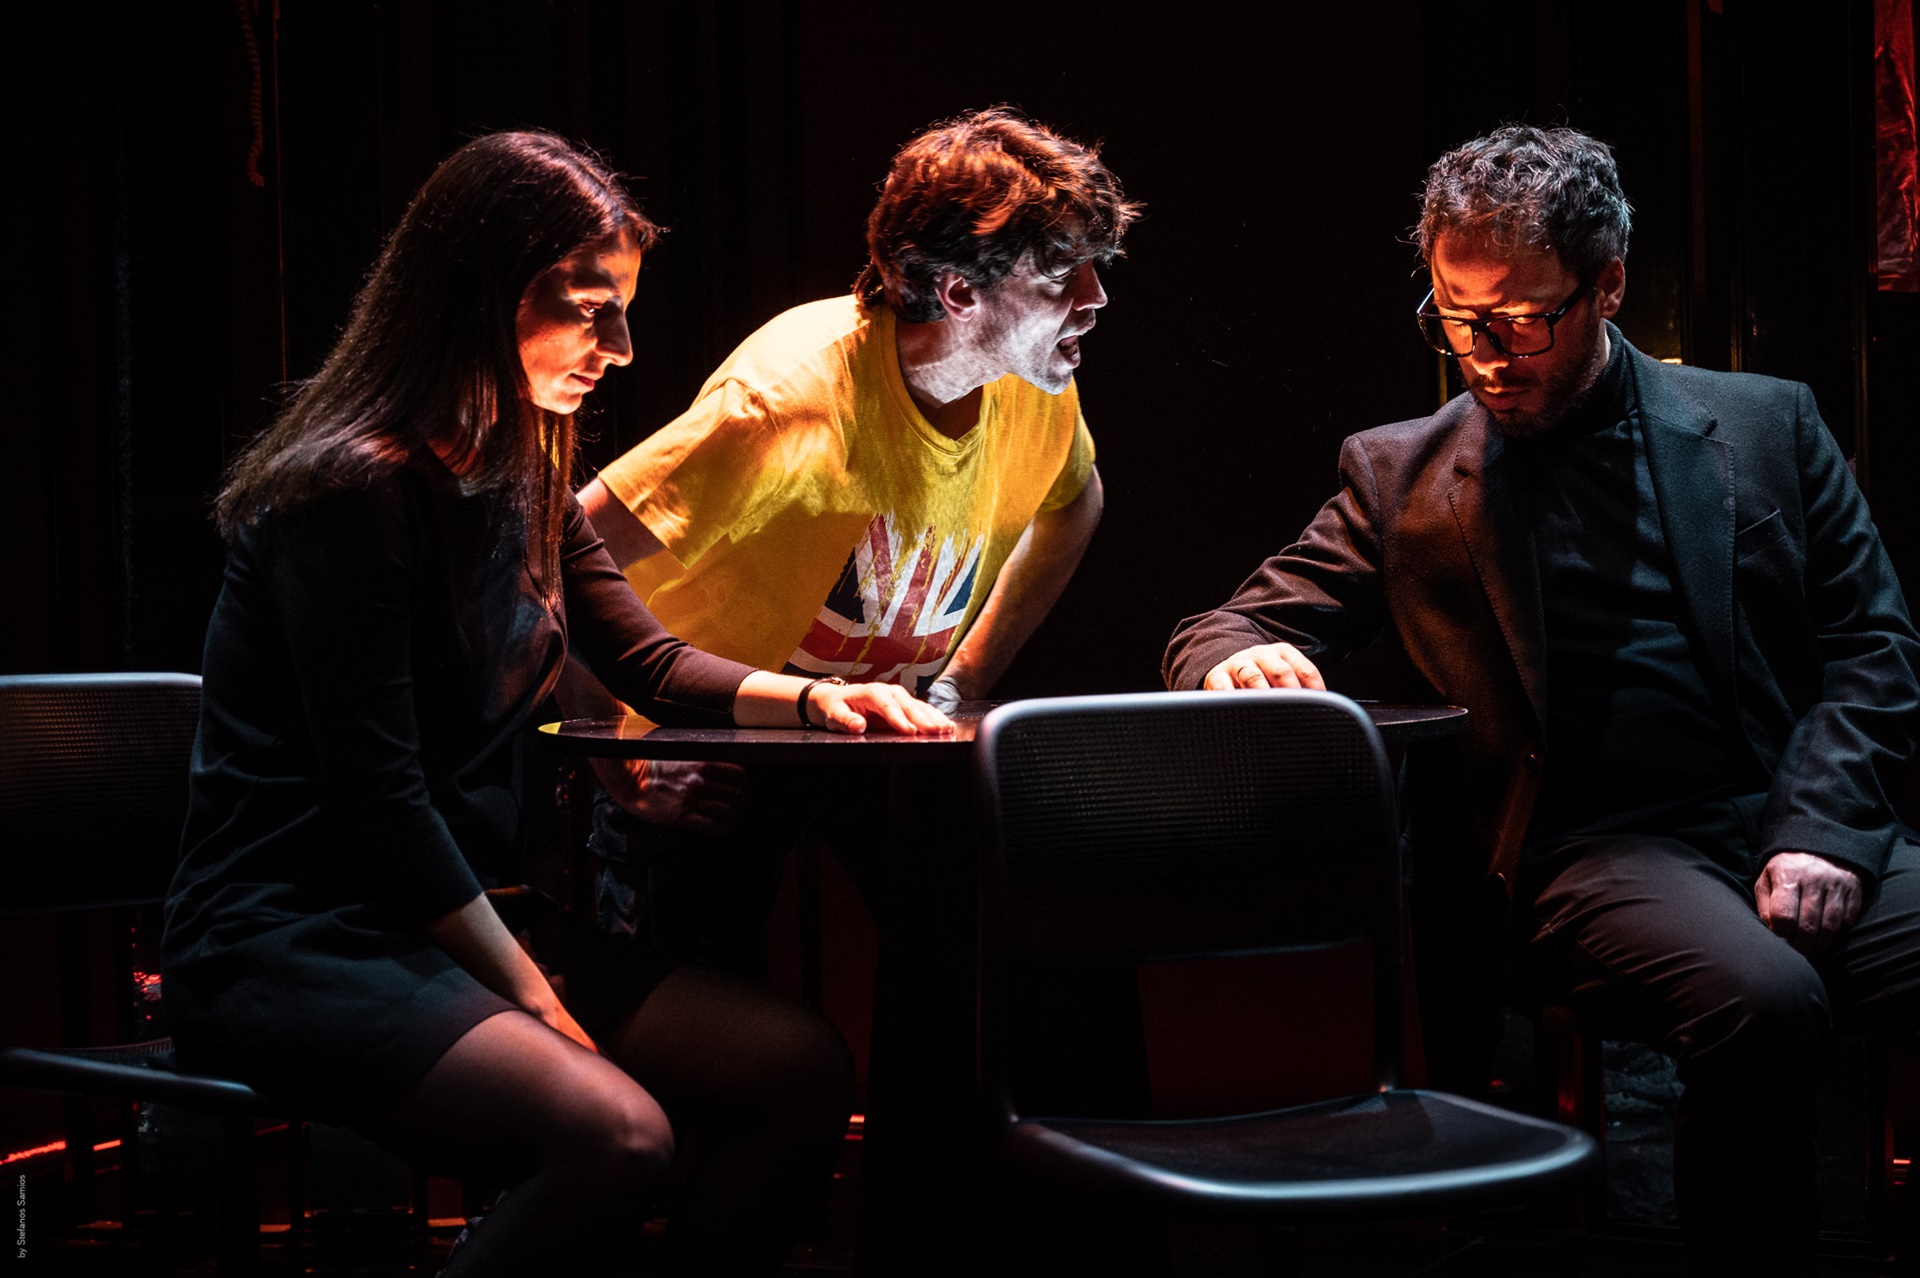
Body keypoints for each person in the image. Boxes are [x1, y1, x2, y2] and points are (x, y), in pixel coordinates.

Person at [161, 131, 950, 1277]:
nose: (620, 349)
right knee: (616, 1137)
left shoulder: (524, 471)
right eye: (592, 311)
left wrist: (824, 701)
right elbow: (382, 807)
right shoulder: (349, 492)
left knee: (798, 1072)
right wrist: (535, 1001)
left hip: (456, 927)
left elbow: (651, 662)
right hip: (296, 938)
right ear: (481, 295)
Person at [1164, 124, 1920, 1273]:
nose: (1485, 354)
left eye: (1521, 319)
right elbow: (1223, 627)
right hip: (1583, 856)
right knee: (1760, 1001)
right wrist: (1234, 660)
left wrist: (1818, 830)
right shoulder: (1402, 472)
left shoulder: (1771, 424)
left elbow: (1875, 642)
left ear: (1608, 285)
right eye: (1455, 316)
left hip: (1781, 812)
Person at [563, 106, 1139, 971]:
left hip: (868, 730)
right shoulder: (785, 401)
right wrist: (622, 756)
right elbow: (558, 552)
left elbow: (1077, 500)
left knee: (990, 947)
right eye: (1062, 274)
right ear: (959, 292)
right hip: (709, 738)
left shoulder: (1037, 381)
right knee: (704, 1006)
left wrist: (965, 680)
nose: (1095, 297)